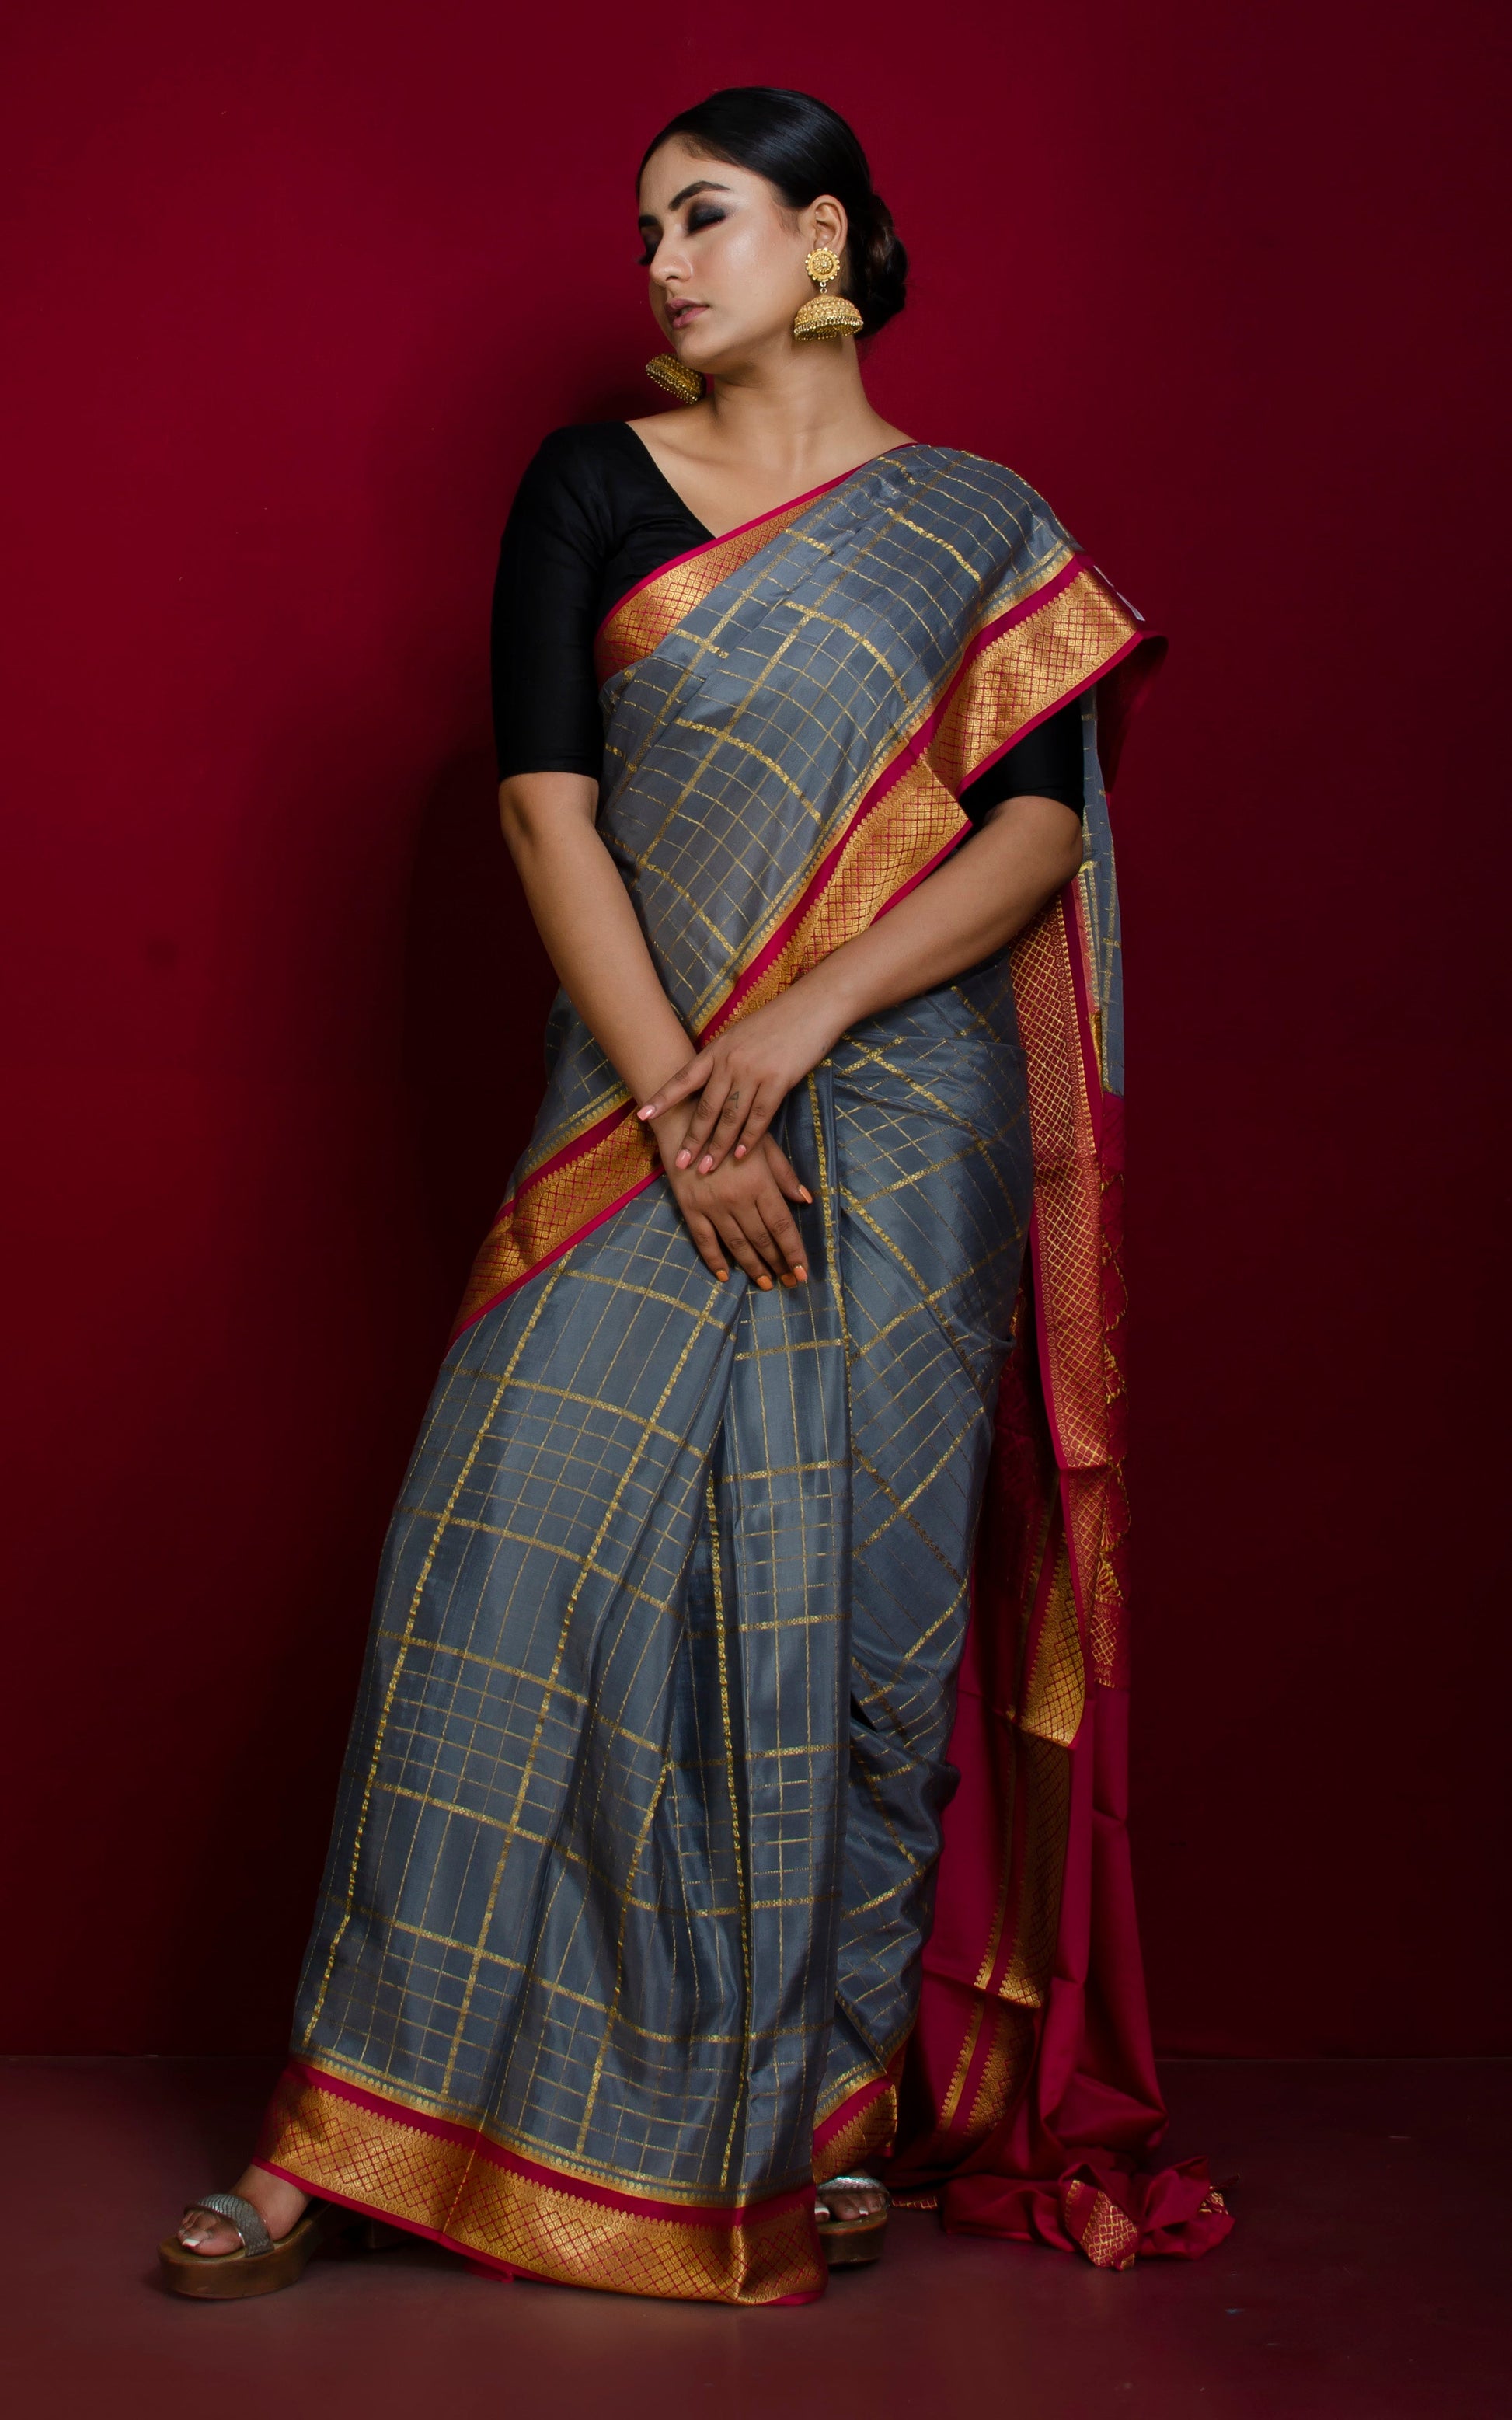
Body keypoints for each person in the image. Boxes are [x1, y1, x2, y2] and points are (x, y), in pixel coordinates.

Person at [160, 85, 1231, 2307]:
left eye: (705, 216)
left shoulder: (977, 526)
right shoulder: (593, 486)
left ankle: (818, 2109)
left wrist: (801, 1020)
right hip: (640, 1106)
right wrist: (684, 1098)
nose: (659, 261)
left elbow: (1034, 831)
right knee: (493, 1569)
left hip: (901, 1116)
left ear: (823, 240)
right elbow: (546, 811)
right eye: (645, 226)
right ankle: (339, 2136)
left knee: (862, 1622)